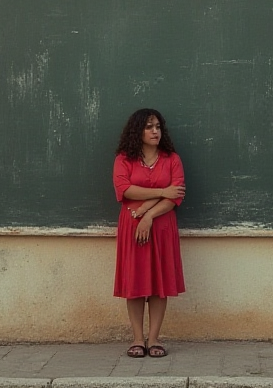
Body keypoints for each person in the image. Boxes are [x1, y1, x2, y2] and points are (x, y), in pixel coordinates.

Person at [112, 108, 186, 358]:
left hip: (162, 226)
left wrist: (149, 214)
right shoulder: (124, 158)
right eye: (149, 127)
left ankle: (154, 339)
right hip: (132, 226)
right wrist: (162, 192)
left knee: (158, 284)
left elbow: (176, 196)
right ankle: (137, 339)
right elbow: (124, 189)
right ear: (137, 131)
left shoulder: (171, 158)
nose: (155, 131)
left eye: (158, 127)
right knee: (134, 282)